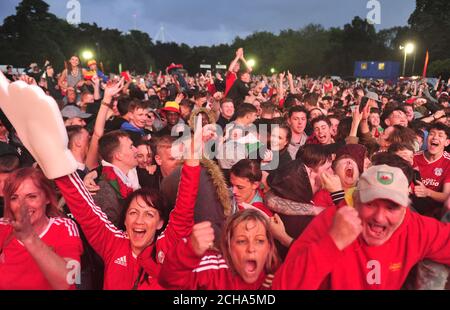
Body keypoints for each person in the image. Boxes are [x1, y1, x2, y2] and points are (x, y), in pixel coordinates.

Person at [272, 165, 450, 290]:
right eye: (370, 204)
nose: (379, 217)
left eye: (392, 207)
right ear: (355, 202)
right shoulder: (331, 221)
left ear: (405, 209)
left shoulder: (415, 227)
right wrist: (332, 243)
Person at [0, 168, 82, 289]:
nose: (22, 206)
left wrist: (29, 238)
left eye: (31, 196)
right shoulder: (4, 226)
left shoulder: (64, 227)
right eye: (14, 198)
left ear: (47, 198)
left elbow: (67, 281)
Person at [158, 209, 280, 290]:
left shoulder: (275, 273)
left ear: (269, 247)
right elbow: (168, 281)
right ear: (228, 246)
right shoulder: (212, 268)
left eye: (259, 241)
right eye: (241, 241)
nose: (251, 249)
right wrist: (189, 250)